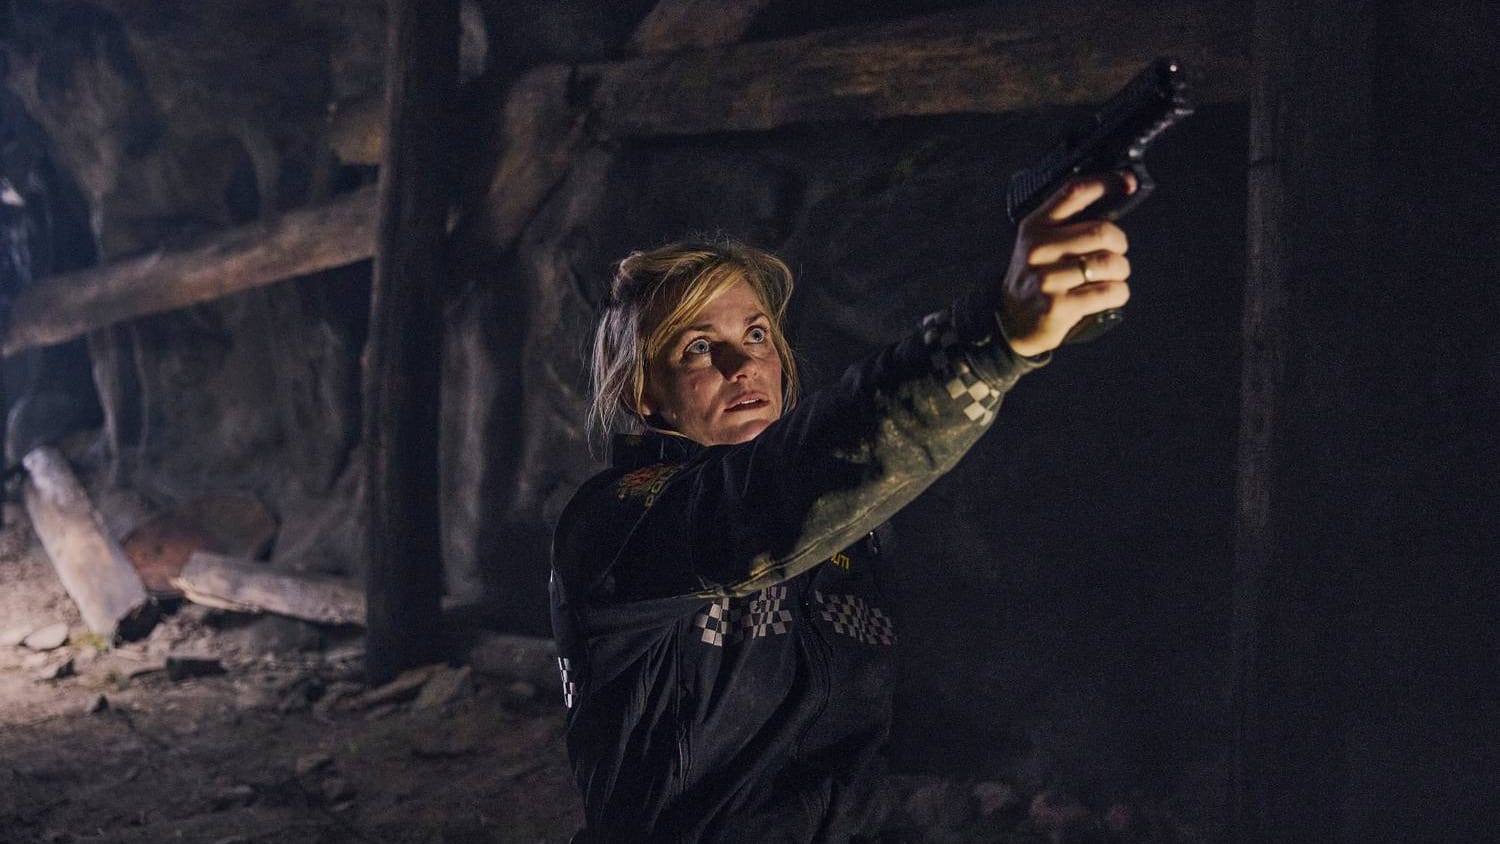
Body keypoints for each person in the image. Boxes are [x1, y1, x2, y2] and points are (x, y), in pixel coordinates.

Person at [550, 173, 1134, 842]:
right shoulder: (617, 523)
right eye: (699, 348)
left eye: (757, 334)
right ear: (644, 394)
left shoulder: (852, 535)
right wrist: (988, 339)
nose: (743, 364)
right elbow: (768, 499)